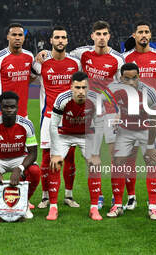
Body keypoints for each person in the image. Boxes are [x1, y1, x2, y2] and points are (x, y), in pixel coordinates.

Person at [37, 20, 125, 210]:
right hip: (57, 113)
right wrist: (41, 54)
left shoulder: (117, 59)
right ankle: (49, 197)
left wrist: (119, 110)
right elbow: (50, 61)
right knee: (54, 156)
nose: (101, 38)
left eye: (105, 34)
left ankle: (116, 198)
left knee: (109, 156)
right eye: (98, 34)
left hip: (104, 112)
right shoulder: (80, 55)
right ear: (92, 35)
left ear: (109, 36)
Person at [99, 63, 156, 220]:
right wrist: (115, 113)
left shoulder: (149, 92)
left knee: (153, 162)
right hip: (126, 130)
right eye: (127, 79)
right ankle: (118, 205)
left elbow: (155, 118)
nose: (131, 82)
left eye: (134, 78)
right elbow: (102, 99)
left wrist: (150, 145)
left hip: (147, 129)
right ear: (121, 78)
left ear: (138, 77)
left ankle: (153, 207)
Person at [121, 21, 156, 210]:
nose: (143, 35)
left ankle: (153, 198)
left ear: (150, 35)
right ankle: (131, 197)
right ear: (134, 35)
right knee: (130, 159)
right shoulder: (124, 57)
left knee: (153, 159)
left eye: (147, 32)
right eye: (140, 32)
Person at [32, 26, 81, 210]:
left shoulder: (75, 64)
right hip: (48, 116)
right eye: (57, 37)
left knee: (70, 158)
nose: (60, 40)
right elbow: (28, 74)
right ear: (51, 41)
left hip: (69, 117)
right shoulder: (41, 63)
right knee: (46, 157)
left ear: (67, 41)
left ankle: (69, 195)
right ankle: (45, 197)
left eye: (63, 37)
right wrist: (39, 54)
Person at [0, 91, 41, 219]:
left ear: (17, 107)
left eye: (12, 107)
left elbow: (33, 153)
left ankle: (24, 202)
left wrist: (20, 168)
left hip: (20, 158)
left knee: (35, 171)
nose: (9, 110)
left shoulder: (26, 124)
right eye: (5, 107)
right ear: (1, 107)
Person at [49, 71, 104, 221]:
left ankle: (94, 208)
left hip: (86, 135)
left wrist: (95, 152)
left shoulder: (96, 99)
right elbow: (53, 125)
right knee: (55, 164)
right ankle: (53, 207)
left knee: (94, 165)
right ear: (71, 87)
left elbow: (100, 126)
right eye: (77, 87)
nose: (81, 91)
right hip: (64, 135)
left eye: (84, 87)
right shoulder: (62, 99)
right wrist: (55, 152)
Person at [0, 23, 35, 121]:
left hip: (22, 114)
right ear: (8, 37)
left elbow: (28, 79)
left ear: (24, 37)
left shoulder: (30, 57)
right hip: (0, 112)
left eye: (20, 35)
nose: (17, 38)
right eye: (14, 35)